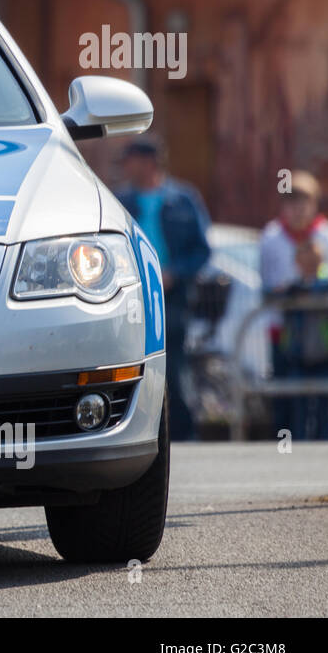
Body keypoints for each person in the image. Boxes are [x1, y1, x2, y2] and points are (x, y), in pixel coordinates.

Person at [115, 137, 212, 441]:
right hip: (132, 299)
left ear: (148, 162)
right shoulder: (121, 202)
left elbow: (202, 251)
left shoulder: (183, 199)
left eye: (131, 160)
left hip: (172, 299)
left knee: (173, 367)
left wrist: (175, 274)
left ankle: (184, 434)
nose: (126, 167)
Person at [259, 171, 328, 440]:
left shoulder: (326, 236)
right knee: (287, 399)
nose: (298, 209)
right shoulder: (271, 237)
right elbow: (267, 284)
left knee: (323, 397)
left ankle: (323, 450)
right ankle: (287, 455)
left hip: (321, 334)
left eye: (304, 202)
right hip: (285, 333)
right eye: (292, 202)